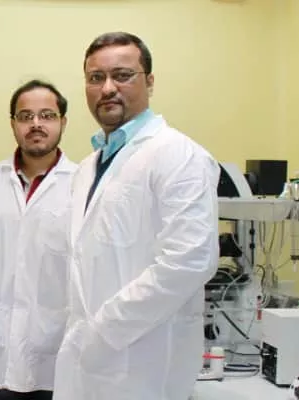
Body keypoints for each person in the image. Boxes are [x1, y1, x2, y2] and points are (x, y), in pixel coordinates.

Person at [53, 32, 220, 400]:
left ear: (150, 82)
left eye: (123, 75)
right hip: (88, 362)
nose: (107, 88)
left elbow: (190, 261)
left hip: (144, 366)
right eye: (96, 78)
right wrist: (89, 335)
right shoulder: (88, 167)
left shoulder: (178, 155)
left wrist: (104, 329)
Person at [0, 80, 76, 400]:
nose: (36, 124)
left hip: (58, 348)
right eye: (25, 116)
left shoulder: (82, 184)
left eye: (47, 115)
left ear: (63, 122)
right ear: (13, 123)